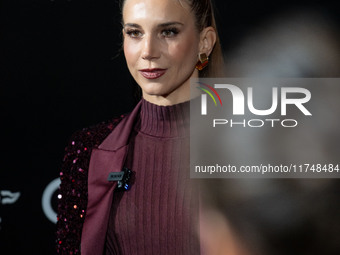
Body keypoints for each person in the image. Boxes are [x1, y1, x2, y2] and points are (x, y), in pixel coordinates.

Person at [56, 0, 223, 254]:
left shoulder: (248, 149)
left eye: (168, 32)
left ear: (205, 42)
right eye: (135, 33)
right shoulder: (88, 149)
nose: (148, 51)